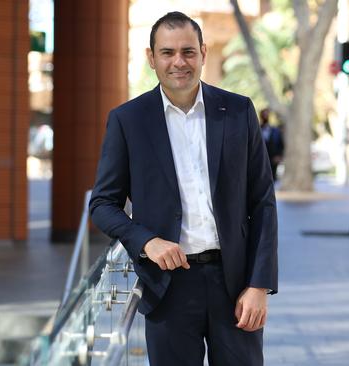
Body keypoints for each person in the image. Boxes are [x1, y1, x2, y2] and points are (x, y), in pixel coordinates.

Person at [89, 11, 277, 366]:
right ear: (151, 58)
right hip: (169, 288)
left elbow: (263, 203)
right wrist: (145, 240)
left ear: (204, 53)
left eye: (188, 52)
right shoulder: (128, 120)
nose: (179, 62)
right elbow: (102, 204)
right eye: (168, 52)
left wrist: (259, 285)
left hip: (235, 284)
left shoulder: (238, 111)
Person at [259, 108, 284, 181]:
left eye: (267, 114)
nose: (265, 116)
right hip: (260, 158)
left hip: (273, 159)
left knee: (272, 178)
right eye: (264, 115)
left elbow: (280, 144)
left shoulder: (275, 130)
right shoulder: (257, 129)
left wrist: (279, 156)